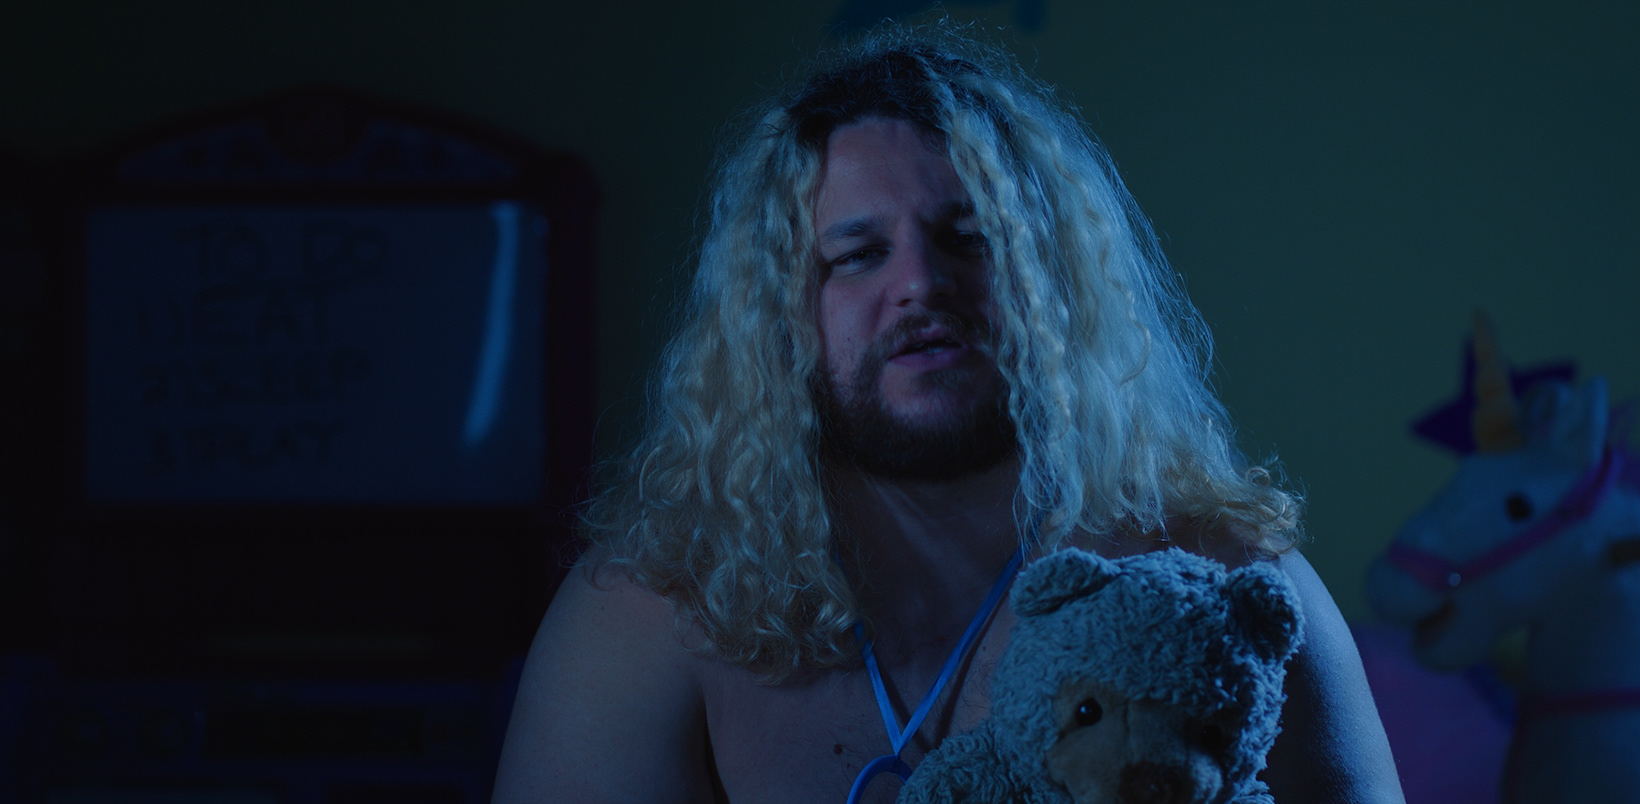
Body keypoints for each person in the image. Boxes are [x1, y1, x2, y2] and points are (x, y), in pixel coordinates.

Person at [494, 26, 1403, 804]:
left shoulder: (1220, 581)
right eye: (857, 255)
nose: (922, 286)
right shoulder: (654, 609)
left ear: (1059, 281)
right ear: (776, 314)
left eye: (971, 239)